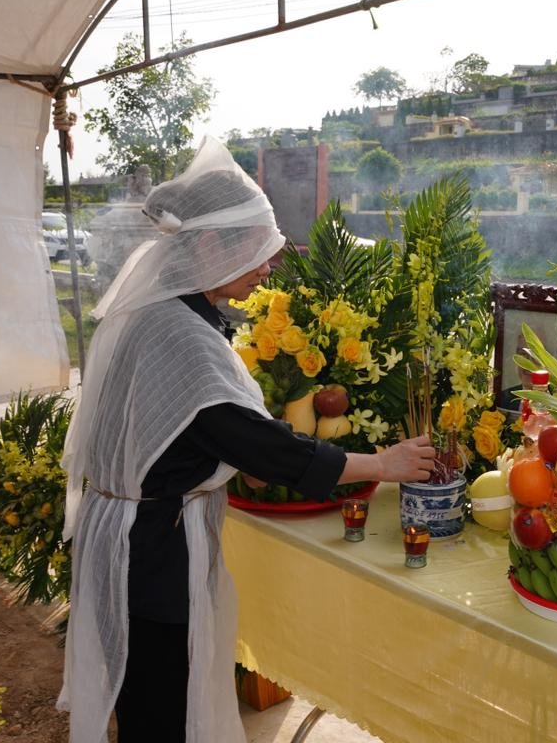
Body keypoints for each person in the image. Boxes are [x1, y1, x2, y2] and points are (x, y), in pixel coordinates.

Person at [57, 137, 435, 743]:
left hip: (131, 535)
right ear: (207, 246)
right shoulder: (180, 335)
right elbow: (267, 450)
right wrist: (383, 463)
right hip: (153, 553)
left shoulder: (165, 311)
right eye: (257, 249)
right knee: (159, 709)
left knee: (150, 699)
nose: (269, 264)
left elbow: (194, 430)